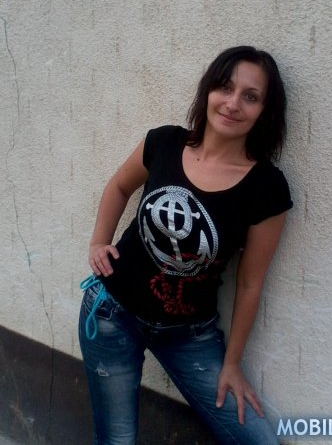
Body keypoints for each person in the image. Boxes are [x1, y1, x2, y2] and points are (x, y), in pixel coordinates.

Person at [78, 45, 293, 445]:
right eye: (225, 87)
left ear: (265, 110)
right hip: (112, 314)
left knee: (259, 440)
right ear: (208, 91)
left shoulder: (267, 187)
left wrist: (232, 364)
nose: (232, 103)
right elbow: (119, 186)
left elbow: (250, 283)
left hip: (189, 335)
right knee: (116, 440)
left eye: (250, 96)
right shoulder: (163, 143)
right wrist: (98, 243)